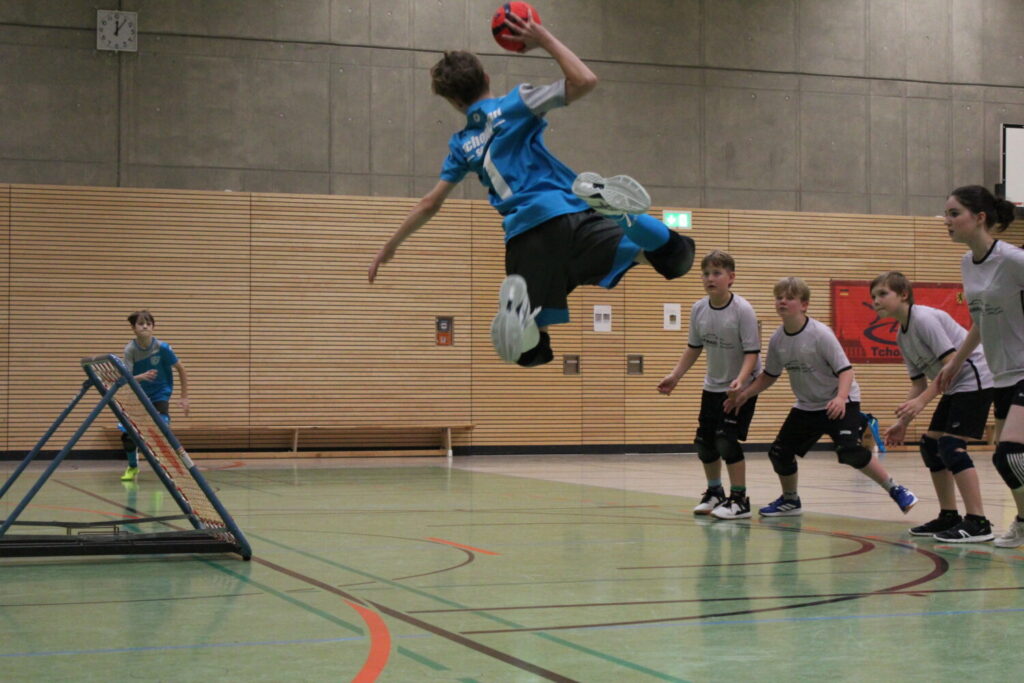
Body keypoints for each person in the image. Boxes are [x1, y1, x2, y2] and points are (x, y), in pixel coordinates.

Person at [367, 12, 694, 367]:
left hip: (527, 239)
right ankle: (624, 215)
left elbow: (430, 203)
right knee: (676, 258)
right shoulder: (515, 104)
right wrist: (542, 38)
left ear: (455, 103)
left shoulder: (461, 145)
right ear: (487, 78)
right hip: (573, 213)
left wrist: (390, 246)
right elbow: (585, 80)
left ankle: (522, 319)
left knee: (528, 354)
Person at [724, 277, 918, 517]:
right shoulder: (777, 339)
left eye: (790, 298)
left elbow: (846, 371)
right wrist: (744, 394)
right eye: (779, 297)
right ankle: (790, 500)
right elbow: (769, 375)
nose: (782, 301)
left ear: (804, 304)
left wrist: (840, 398)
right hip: (807, 406)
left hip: (841, 401)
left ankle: (896, 489)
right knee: (779, 453)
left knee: (848, 451)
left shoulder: (820, 334)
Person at [872, 271, 995, 542]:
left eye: (882, 294)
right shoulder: (902, 337)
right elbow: (918, 383)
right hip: (955, 384)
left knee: (952, 445)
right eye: (873, 297)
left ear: (903, 294)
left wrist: (922, 401)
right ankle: (949, 515)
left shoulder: (924, 319)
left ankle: (978, 521)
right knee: (930, 444)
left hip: (976, 377)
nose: (876, 301)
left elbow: (952, 364)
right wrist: (902, 422)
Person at [936, 185, 1023, 548]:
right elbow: (980, 320)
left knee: (1010, 452)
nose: (947, 221)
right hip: (1002, 372)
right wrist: (955, 362)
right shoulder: (966, 264)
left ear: (980, 217)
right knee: (1004, 459)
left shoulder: (1013, 260)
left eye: (954, 213)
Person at [657, 250, 761, 519]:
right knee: (705, 442)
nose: (710, 278)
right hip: (712, 386)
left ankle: (739, 500)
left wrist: (740, 380)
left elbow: (752, 352)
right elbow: (694, 347)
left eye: (716, 273)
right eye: (705, 274)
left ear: (731, 277)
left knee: (726, 441)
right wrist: (675, 376)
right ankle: (715, 493)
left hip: (740, 388)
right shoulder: (698, 309)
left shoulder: (743, 310)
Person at [118, 310, 190, 481]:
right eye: (141, 324)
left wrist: (184, 397)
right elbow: (126, 378)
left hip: (160, 393)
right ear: (133, 328)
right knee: (128, 435)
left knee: (161, 429)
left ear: (153, 327)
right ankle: (133, 467)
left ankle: (162, 467)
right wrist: (141, 377)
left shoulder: (163, 348)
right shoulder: (130, 349)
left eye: (148, 324)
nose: (145, 326)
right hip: (138, 395)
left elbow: (181, 369)